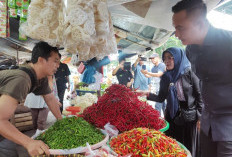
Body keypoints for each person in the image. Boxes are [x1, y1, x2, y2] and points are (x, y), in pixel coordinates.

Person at [172, 0, 232, 156]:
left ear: (199, 23)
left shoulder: (228, 43)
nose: (176, 34)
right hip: (207, 122)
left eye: (180, 28)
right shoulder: (190, 50)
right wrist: (204, 115)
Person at [0, 41, 62, 157]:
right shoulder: (22, 79)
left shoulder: (40, 78)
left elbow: (50, 98)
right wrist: (29, 142)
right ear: (41, 60)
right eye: (55, 61)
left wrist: (61, 121)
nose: (58, 65)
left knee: (10, 148)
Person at [144, 47, 203, 156]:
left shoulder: (190, 73)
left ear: (178, 58)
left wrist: (200, 117)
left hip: (189, 116)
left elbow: (200, 97)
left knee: (188, 145)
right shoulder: (166, 77)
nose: (166, 61)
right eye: (164, 58)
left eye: (170, 58)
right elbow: (161, 98)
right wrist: (147, 94)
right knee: (174, 145)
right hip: (172, 115)